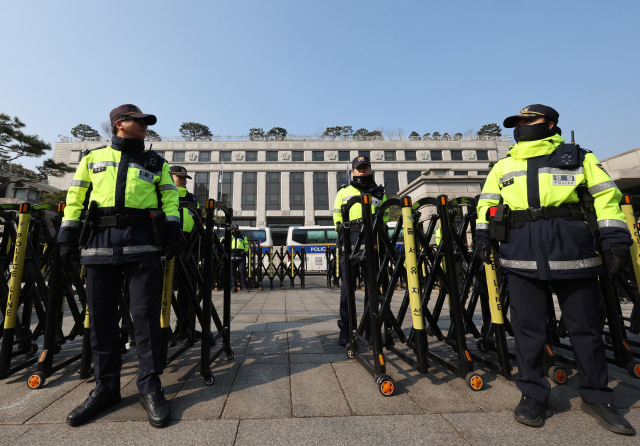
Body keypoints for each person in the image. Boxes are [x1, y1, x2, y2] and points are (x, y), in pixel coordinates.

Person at [475, 104, 635, 435]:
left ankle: (596, 396)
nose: (521, 127)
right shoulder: (503, 165)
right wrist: (482, 237)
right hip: (520, 256)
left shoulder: (579, 157)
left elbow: (607, 198)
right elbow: (487, 205)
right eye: (517, 123)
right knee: (527, 331)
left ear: (550, 124)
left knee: (586, 329)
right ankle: (533, 395)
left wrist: (615, 241)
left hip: (573, 254)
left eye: (528, 121)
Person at [58, 104, 182, 429]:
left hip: (143, 244)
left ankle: (150, 386)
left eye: (146, 122)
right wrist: (67, 233)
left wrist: (173, 231)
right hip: (99, 244)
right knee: (100, 318)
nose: (144, 126)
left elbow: (170, 199)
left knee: (145, 316)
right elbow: (75, 198)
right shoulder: (92, 158)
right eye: (138, 121)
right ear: (119, 124)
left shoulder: (156, 163)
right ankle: (105, 388)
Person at [332, 156, 388, 346]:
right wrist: (341, 234)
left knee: (372, 288)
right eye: (358, 168)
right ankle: (346, 330)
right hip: (350, 240)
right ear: (353, 171)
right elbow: (337, 215)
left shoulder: (380, 193)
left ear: (370, 170)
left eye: (365, 168)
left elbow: (385, 218)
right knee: (347, 290)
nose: (362, 171)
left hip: (373, 241)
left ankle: (371, 328)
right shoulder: (343, 192)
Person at [170, 165, 201, 339]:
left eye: (184, 177)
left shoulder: (191, 197)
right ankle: (161, 329)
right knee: (163, 289)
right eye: (179, 176)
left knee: (187, 289)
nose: (182, 180)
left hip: (190, 245)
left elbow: (196, 221)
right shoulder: (165, 194)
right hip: (173, 243)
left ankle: (184, 327)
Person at [226, 224, 249, 292]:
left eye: (235, 229)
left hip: (240, 257)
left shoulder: (243, 236)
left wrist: (245, 251)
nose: (234, 230)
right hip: (232, 256)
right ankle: (234, 287)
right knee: (232, 273)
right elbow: (222, 241)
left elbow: (246, 245)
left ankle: (244, 287)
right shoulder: (229, 236)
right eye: (233, 229)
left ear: (238, 229)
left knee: (242, 272)